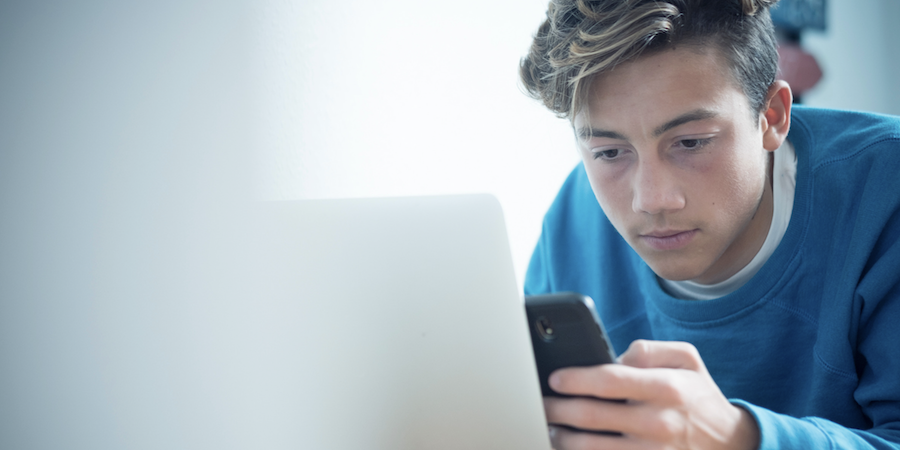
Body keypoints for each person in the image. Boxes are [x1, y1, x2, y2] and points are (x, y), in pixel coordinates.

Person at [519, 0, 900, 449]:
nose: (652, 200)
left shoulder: (885, 190)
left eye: (691, 142)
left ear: (772, 116)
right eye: (608, 151)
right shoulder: (574, 217)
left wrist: (737, 438)